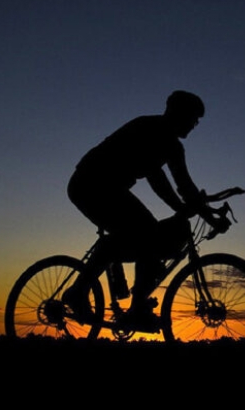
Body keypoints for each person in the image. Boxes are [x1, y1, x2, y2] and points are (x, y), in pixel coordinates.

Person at [62, 90, 230, 331]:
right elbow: (157, 179)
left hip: (110, 188)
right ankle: (107, 300)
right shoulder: (150, 128)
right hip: (90, 184)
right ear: (177, 113)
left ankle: (115, 283)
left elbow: (185, 186)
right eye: (193, 118)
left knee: (140, 236)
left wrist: (208, 216)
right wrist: (187, 210)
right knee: (147, 231)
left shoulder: (174, 147)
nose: (194, 125)